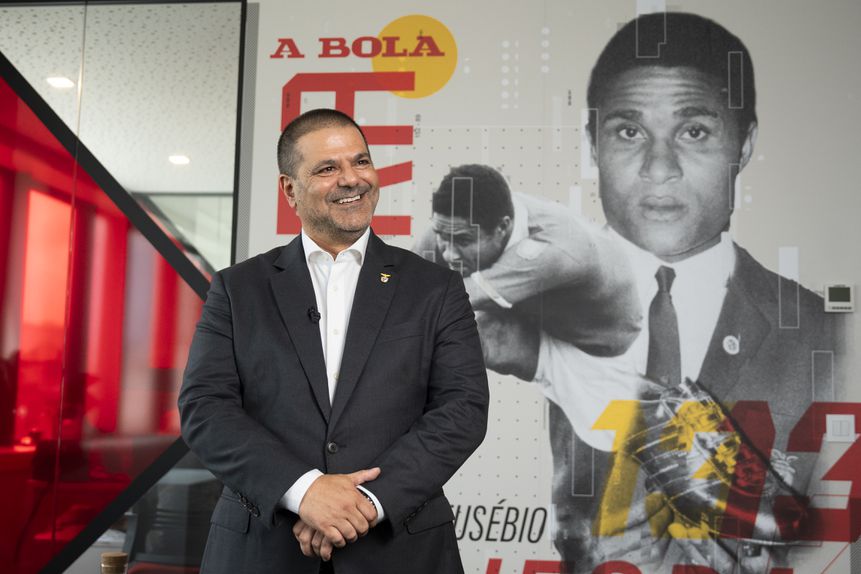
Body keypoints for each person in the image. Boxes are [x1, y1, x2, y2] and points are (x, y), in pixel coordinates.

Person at [479, 12, 842, 573]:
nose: (659, 167)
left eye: (693, 131)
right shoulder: (502, 313)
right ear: (592, 145)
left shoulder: (832, 338)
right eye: (629, 131)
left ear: (743, 146)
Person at [179, 108, 489, 574]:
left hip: (400, 551)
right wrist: (304, 491)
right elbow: (205, 408)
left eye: (360, 162)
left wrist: (363, 503)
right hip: (262, 553)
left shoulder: (435, 288)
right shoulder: (237, 289)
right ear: (290, 190)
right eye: (328, 168)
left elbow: (462, 410)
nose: (352, 180)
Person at [413, 163, 641, 358]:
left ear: (503, 227)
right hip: (539, 309)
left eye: (463, 241)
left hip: (601, 346)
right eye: (442, 237)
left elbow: (458, 298)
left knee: (458, 330)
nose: (448, 254)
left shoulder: (556, 249)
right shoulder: (457, 223)